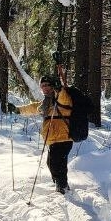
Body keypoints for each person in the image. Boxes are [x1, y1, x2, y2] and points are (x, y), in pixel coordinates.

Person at [18, 64, 74, 194]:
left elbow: (63, 93)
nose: (44, 88)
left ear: (52, 85)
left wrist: (59, 86)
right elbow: (33, 108)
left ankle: (62, 188)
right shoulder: (46, 102)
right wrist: (17, 110)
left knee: (56, 164)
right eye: (42, 86)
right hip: (54, 139)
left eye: (47, 85)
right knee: (52, 163)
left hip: (63, 137)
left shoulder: (61, 98)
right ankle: (61, 185)